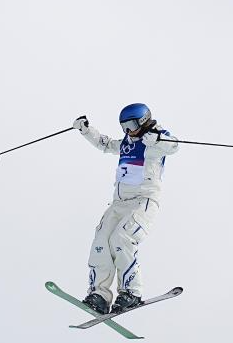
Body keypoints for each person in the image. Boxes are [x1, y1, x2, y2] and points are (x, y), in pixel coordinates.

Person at [72, 103, 179, 315]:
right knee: (102, 240)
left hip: (143, 202)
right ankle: (99, 295)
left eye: (131, 125)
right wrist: (86, 130)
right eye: (124, 127)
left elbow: (174, 146)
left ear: (143, 120)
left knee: (121, 239)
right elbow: (105, 144)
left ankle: (131, 292)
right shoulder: (126, 143)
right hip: (119, 203)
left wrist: (158, 139)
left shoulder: (155, 139)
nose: (128, 131)